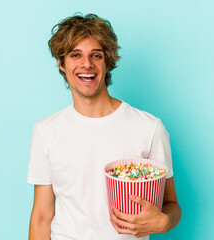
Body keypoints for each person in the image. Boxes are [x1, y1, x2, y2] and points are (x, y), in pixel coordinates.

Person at [27, 13, 181, 240]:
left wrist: (165, 221)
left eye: (96, 55)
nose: (86, 64)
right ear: (61, 64)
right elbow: (41, 216)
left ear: (108, 62)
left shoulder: (149, 128)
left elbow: (171, 205)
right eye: (75, 55)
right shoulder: (46, 131)